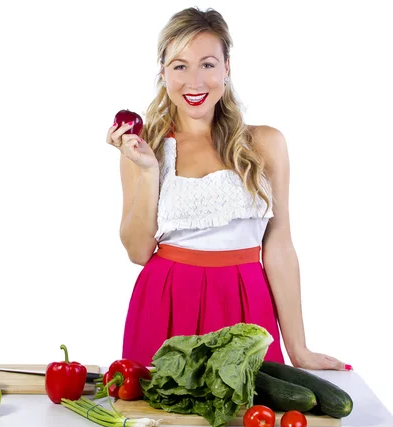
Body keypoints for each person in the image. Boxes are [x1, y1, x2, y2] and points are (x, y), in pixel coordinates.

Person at [106, 7, 351, 371]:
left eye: (207, 64)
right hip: (167, 302)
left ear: (226, 68)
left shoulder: (266, 143)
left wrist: (298, 347)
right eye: (179, 66)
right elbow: (139, 252)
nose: (194, 81)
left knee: (250, 418)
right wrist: (148, 171)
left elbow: (279, 245)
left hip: (246, 300)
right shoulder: (143, 148)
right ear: (163, 72)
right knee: (169, 420)